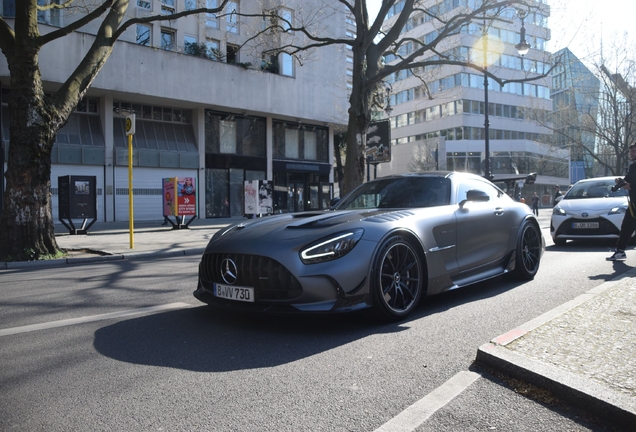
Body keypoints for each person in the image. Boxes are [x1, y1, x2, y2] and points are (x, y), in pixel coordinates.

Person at [607, 143, 636, 261]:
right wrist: (621, 181)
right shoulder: (633, 167)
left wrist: (631, 186)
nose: (631, 154)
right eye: (631, 152)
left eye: (633, 151)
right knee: (626, 227)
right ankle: (620, 251)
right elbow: (628, 178)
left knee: (627, 227)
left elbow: (632, 184)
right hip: (633, 203)